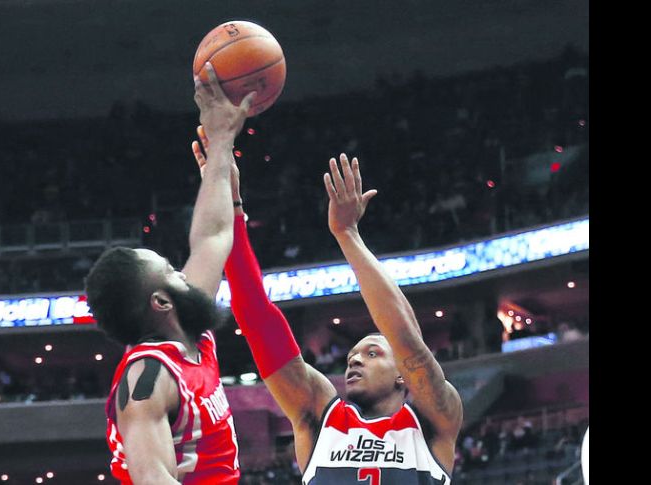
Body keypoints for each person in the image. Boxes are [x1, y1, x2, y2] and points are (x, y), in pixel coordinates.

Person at [194, 147, 463, 483]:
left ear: (402, 375)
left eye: (373, 352)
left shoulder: (433, 419)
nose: (355, 361)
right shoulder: (320, 414)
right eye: (353, 356)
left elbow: (405, 336)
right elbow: (257, 317)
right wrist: (231, 205)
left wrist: (347, 235)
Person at [84, 63, 256, 485]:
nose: (184, 272)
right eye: (171, 271)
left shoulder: (188, 332)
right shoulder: (148, 377)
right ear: (161, 304)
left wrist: (220, 141)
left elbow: (214, 236)